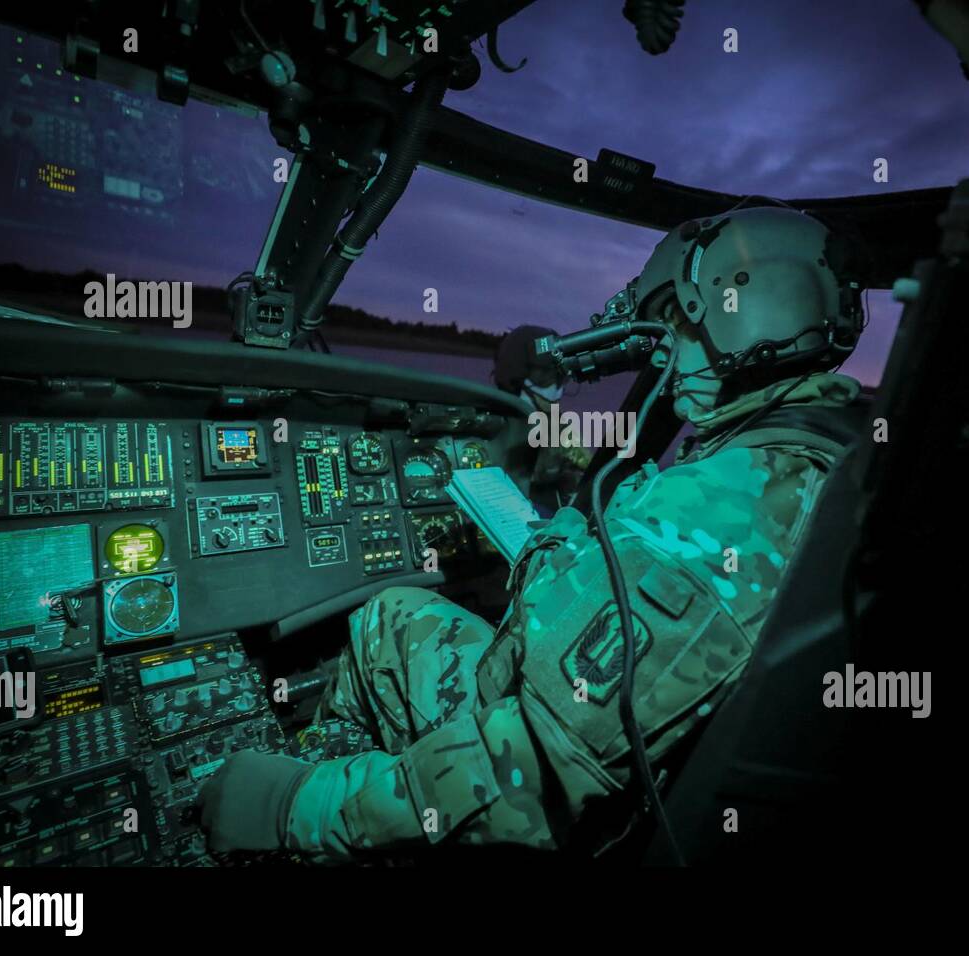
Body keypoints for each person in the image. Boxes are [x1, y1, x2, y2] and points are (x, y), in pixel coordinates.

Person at [200, 205, 866, 860]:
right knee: (402, 608)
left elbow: (520, 781)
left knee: (383, 617)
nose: (663, 351)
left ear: (738, 313)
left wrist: (294, 808)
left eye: (673, 326)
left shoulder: (711, 520)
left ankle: (324, 809)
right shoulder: (821, 458)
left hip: (568, 808)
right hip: (636, 780)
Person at [493, 324, 592, 508]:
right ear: (517, 376)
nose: (557, 391)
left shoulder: (556, 425)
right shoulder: (488, 426)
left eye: (561, 378)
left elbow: (587, 465)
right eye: (546, 377)